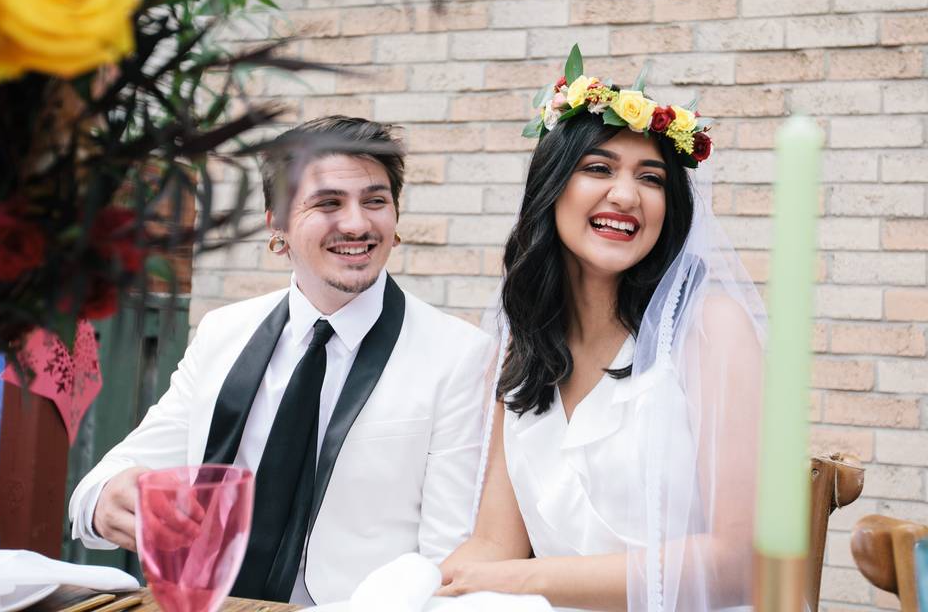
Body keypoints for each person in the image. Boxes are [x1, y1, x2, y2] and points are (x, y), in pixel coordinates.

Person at [69, 116, 493, 606]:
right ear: (277, 223)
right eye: (328, 203)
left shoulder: (460, 355)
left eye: (375, 201)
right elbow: (96, 488)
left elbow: (449, 558)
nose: (357, 223)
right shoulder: (222, 333)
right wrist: (106, 500)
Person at [438, 48, 765, 611]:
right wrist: (434, 587)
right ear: (552, 188)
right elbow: (496, 542)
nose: (626, 194)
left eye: (651, 178)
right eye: (598, 168)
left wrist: (525, 582)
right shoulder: (525, 346)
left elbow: (739, 563)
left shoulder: (710, 330)